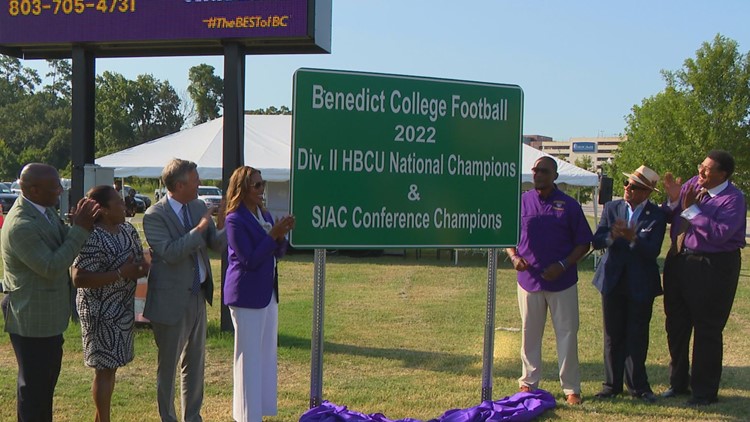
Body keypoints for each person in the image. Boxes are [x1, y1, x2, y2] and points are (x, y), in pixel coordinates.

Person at [0, 163, 99, 422]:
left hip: (47, 318)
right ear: (33, 189)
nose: (60, 191)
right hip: (32, 318)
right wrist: (80, 228)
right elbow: (52, 266)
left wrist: (81, 224)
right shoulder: (20, 224)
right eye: (54, 186)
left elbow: (64, 240)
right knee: (34, 390)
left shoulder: (43, 212)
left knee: (43, 388)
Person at [142, 158, 226, 422]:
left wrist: (225, 223)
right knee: (168, 368)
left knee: (195, 364)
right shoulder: (154, 215)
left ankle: (193, 417)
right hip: (169, 300)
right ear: (179, 185)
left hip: (197, 295)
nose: (200, 183)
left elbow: (216, 245)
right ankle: (168, 418)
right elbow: (170, 253)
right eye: (195, 179)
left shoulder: (198, 205)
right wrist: (200, 227)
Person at [660, 150, 746, 406]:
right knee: (676, 325)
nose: (701, 172)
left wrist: (691, 210)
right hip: (680, 260)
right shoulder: (692, 184)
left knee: (707, 329)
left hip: (713, 266)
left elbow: (719, 234)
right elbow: (670, 213)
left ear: (723, 174)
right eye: (701, 166)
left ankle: (704, 392)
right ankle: (678, 383)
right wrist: (674, 202)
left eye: (708, 169)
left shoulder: (734, 199)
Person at [505, 156, 592, 405]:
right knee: (529, 333)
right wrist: (514, 257)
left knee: (566, 334)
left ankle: (571, 389)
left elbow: (583, 242)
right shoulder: (522, 202)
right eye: (535, 171)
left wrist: (563, 265)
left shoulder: (569, 205)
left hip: (562, 281)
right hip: (529, 280)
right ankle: (528, 382)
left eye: (543, 171)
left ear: (554, 176)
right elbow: (507, 235)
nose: (537, 175)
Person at [71, 185, 151, 422]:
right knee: (103, 369)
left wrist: (144, 264)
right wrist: (120, 272)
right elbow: (79, 278)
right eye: (118, 203)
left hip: (122, 308)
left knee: (112, 367)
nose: (124, 206)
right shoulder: (92, 236)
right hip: (99, 311)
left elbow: (137, 264)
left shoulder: (127, 229)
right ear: (103, 210)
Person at [223, 166, 295, 422]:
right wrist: (272, 235)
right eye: (257, 185)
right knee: (248, 357)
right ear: (242, 189)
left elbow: (277, 253)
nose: (262, 189)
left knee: (265, 355)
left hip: (268, 294)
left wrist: (280, 236)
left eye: (262, 184)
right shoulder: (234, 219)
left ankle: (258, 411)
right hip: (246, 296)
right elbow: (249, 259)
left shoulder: (263, 213)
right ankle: (246, 416)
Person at [591, 165, 666, 403]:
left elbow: (652, 250)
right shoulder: (613, 208)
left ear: (646, 192)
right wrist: (612, 236)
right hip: (612, 279)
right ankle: (611, 385)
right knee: (613, 335)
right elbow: (596, 239)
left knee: (637, 334)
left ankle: (639, 387)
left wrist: (633, 239)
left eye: (633, 187)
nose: (627, 189)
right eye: (626, 184)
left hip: (640, 282)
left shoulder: (656, 215)